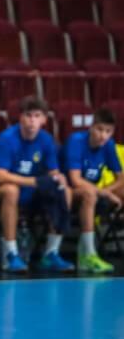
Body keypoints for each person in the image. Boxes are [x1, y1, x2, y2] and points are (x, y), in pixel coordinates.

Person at [0, 96, 73, 273]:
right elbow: (1, 176)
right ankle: (10, 254)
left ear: (44, 119)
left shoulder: (47, 140)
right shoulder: (6, 138)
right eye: (28, 115)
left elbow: (52, 171)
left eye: (37, 116)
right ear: (20, 117)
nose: (32, 120)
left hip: (30, 191)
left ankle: (51, 252)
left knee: (64, 191)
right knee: (11, 190)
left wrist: (58, 177)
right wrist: (34, 181)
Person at [60, 108, 123, 273]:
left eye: (108, 131)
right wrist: (105, 193)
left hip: (94, 193)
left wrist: (108, 190)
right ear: (91, 127)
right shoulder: (76, 141)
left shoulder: (108, 145)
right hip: (69, 193)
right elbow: (75, 180)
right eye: (100, 129)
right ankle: (87, 255)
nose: (103, 136)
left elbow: (121, 178)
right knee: (89, 194)